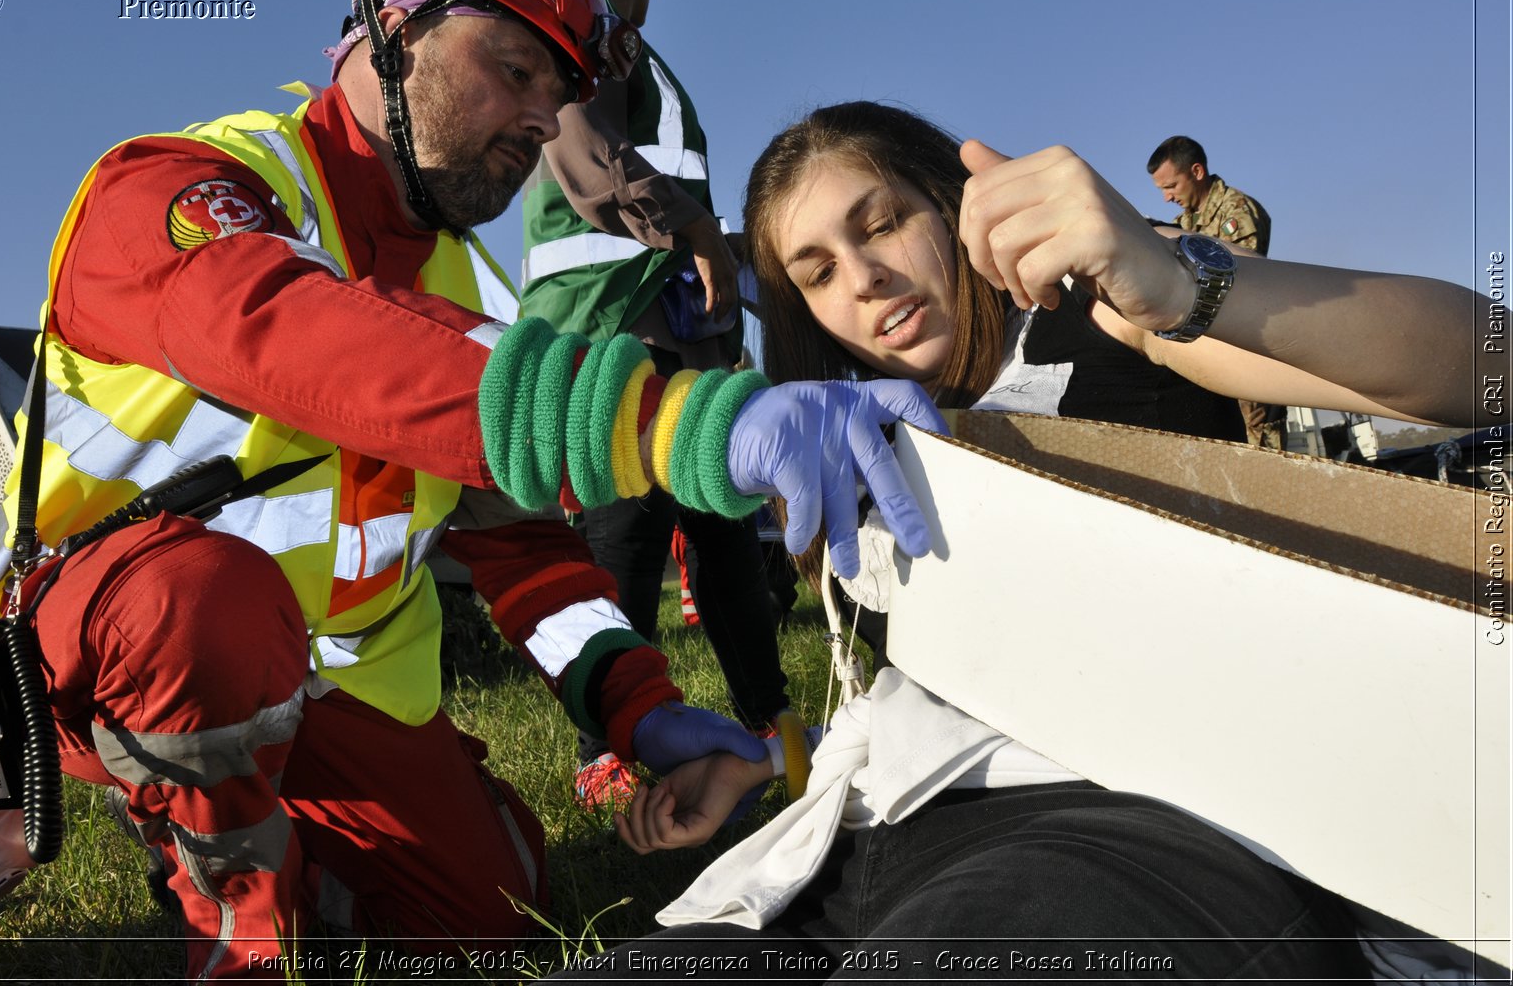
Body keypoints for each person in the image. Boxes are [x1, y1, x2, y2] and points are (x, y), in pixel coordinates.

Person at [0, 0, 945, 979]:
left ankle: (290, 834)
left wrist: (637, 706)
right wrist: (675, 422)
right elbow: (299, 333)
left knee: (492, 913)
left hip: (326, 689)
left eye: (557, 92)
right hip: (111, 658)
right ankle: (237, 913)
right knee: (204, 602)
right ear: (389, 24)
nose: (540, 117)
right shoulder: (180, 185)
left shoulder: (472, 288)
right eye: (515, 69)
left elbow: (523, 553)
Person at [555, 103, 1481, 982]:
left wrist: (1178, 285)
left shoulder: (1107, 315)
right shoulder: (852, 443)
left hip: (1128, 831)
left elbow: (1488, 369)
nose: (863, 277)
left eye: (879, 225)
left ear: (953, 206)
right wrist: (770, 763)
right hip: (869, 843)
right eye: (817, 271)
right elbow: (962, 684)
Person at [520, 0, 792, 810]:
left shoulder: (635, 59)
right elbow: (589, 162)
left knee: (724, 537)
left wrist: (730, 312)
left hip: (681, 335)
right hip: (609, 336)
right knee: (624, 541)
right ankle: (609, 745)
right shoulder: (577, 54)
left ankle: (768, 719)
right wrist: (700, 233)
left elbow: (676, 202)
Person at [1148, 133, 1285, 448]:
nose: (1167, 197)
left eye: (1171, 186)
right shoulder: (1185, 221)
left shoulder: (1236, 212)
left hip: (1248, 353)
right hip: (1209, 358)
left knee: (1260, 458)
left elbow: (1240, 284)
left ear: (1196, 172)